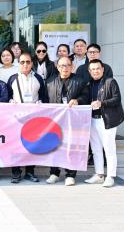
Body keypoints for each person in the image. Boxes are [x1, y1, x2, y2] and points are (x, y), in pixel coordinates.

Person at [45, 56, 90, 186]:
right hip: (55, 121)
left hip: (73, 121)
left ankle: (70, 175)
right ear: (57, 67)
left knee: (72, 147)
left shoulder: (80, 81)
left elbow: (86, 96)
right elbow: (45, 99)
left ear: (72, 66)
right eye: (62, 65)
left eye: (67, 65)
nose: (65, 68)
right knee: (54, 147)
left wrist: (78, 100)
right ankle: (54, 173)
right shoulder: (49, 81)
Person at [7, 52, 48, 183]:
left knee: (32, 145)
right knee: (15, 145)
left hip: (33, 118)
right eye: (22, 62)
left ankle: (30, 172)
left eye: (28, 62)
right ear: (18, 63)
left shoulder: (38, 78)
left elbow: (44, 96)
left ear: (32, 63)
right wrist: (10, 101)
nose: (25, 64)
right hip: (16, 118)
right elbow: (7, 96)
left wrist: (41, 102)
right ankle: (16, 172)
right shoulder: (12, 78)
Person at [85, 59, 124, 188]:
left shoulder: (110, 81)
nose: (95, 71)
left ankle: (110, 176)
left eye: (98, 68)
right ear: (89, 71)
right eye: (93, 69)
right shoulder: (89, 83)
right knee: (96, 149)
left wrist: (102, 103)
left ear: (103, 69)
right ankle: (99, 175)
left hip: (107, 120)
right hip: (93, 120)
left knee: (109, 149)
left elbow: (117, 99)